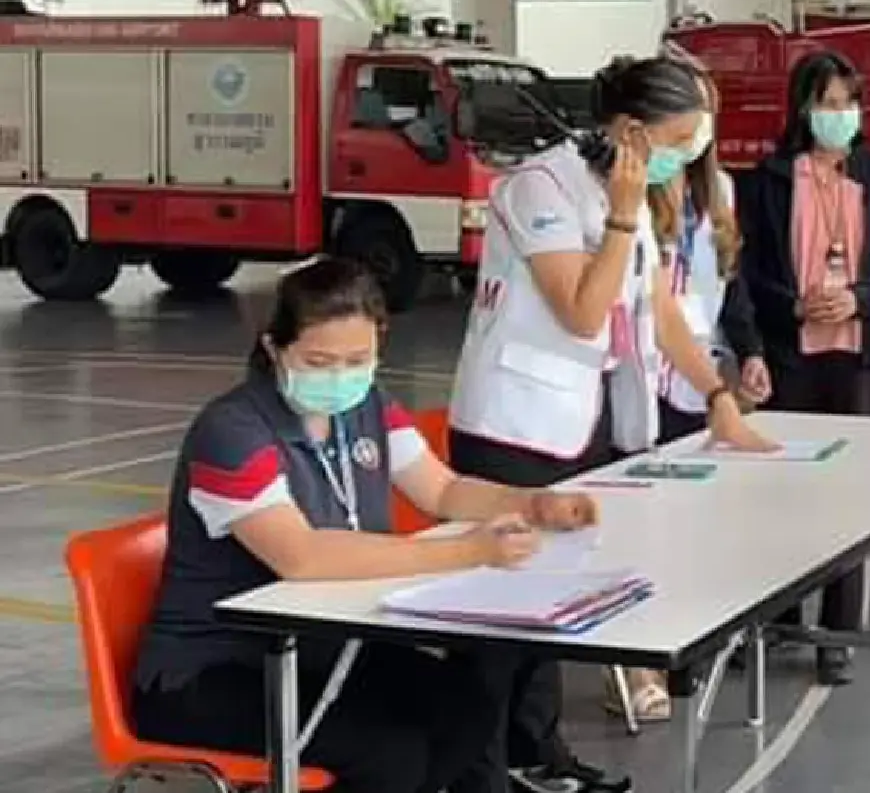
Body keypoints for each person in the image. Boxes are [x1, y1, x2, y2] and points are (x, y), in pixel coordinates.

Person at [129, 257, 599, 793]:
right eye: (319, 360)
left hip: (324, 646)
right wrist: (468, 553)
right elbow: (301, 556)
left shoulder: (368, 406)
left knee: (466, 711)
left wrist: (534, 503)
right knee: (390, 755)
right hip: (214, 671)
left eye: (357, 360)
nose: (339, 376)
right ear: (274, 348)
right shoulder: (233, 432)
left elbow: (441, 489)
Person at [448, 49, 773, 793]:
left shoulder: (612, 188)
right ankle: (477, 770)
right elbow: (583, 310)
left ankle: (537, 750)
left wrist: (718, 398)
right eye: (677, 139)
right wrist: (626, 215)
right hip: (513, 427)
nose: (687, 156)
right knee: (501, 610)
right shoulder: (539, 187)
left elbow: (659, 307)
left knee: (556, 594)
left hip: (585, 421)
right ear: (630, 130)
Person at [737, 48, 870, 687]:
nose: (839, 115)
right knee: (785, 492)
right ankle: (782, 616)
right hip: (794, 354)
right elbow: (751, 272)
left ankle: (836, 634)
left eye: (848, 103)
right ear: (802, 107)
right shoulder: (768, 180)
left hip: (857, 355)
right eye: (827, 103)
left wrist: (858, 300)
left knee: (848, 495)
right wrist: (792, 308)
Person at [615, 67, 768, 723]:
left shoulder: (720, 188)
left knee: (693, 525)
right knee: (639, 525)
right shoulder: (631, 191)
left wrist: (747, 355)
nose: (695, 134)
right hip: (642, 368)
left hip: (703, 366)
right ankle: (635, 661)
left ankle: (681, 640)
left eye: (705, 116)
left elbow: (728, 290)